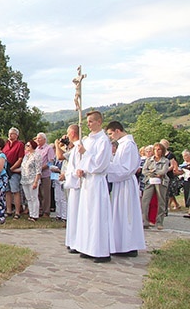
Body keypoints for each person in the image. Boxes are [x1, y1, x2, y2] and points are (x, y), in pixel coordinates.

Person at [72, 111, 113, 263]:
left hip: (97, 181)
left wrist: (86, 154)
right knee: (87, 215)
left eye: (90, 121)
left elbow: (100, 163)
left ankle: (101, 250)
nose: (88, 124)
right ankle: (88, 247)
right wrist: (81, 168)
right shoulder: (88, 140)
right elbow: (83, 159)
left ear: (99, 122)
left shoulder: (103, 140)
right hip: (87, 181)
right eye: (87, 121)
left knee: (97, 215)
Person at [105, 121, 146, 257]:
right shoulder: (123, 144)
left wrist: (106, 166)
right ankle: (120, 244)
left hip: (125, 184)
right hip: (120, 183)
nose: (110, 137)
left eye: (111, 133)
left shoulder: (128, 145)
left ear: (117, 130)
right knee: (119, 213)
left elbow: (126, 169)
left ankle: (129, 245)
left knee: (126, 214)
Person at [141, 142, 170, 230]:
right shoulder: (149, 160)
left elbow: (163, 171)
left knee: (161, 201)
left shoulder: (165, 160)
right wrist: (153, 173)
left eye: (159, 150)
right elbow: (144, 171)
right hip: (149, 181)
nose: (157, 151)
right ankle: (144, 221)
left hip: (161, 182)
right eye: (155, 150)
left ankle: (159, 222)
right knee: (145, 201)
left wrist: (154, 172)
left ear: (162, 151)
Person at [62, 124, 82, 253]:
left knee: (77, 211)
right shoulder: (74, 148)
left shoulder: (80, 147)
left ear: (73, 133)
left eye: (68, 133)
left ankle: (77, 241)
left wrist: (73, 174)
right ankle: (72, 240)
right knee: (72, 211)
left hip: (78, 183)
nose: (67, 136)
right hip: (72, 181)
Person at [3, 127, 25, 219]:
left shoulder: (19, 145)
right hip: (5, 169)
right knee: (7, 191)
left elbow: (20, 158)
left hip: (14, 170)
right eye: (9, 133)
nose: (10, 135)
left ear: (16, 135)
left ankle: (17, 211)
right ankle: (8, 210)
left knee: (15, 190)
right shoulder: (6, 144)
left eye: (12, 133)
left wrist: (12, 168)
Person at [20, 140, 41, 221]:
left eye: (28, 145)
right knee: (28, 198)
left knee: (34, 197)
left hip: (33, 179)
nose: (26, 147)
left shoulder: (37, 155)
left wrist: (36, 181)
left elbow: (38, 170)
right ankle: (31, 213)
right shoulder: (26, 156)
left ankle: (35, 215)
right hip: (25, 179)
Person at [35, 132, 55, 218]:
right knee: (38, 193)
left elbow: (51, 162)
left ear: (44, 139)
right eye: (37, 138)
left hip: (45, 174)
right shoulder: (37, 149)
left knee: (46, 193)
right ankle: (39, 210)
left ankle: (46, 211)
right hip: (37, 174)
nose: (38, 140)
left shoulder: (49, 148)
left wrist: (42, 168)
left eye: (39, 138)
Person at [179, 150, 190, 218]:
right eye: (183, 156)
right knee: (186, 194)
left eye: (186, 156)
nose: (185, 157)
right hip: (186, 180)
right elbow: (182, 171)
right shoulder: (184, 163)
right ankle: (188, 210)